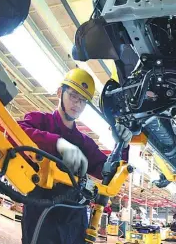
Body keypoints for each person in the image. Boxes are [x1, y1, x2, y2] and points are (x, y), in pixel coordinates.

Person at [18, 69, 133, 244]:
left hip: (74, 217)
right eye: (73, 96)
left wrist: (122, 146)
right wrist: (57, 143)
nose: (77, 104)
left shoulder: (85, 143)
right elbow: (17, 132)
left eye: (83, 100)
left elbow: (107, 172)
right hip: (41, 212)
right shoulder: (40, 121)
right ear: (59, 92)